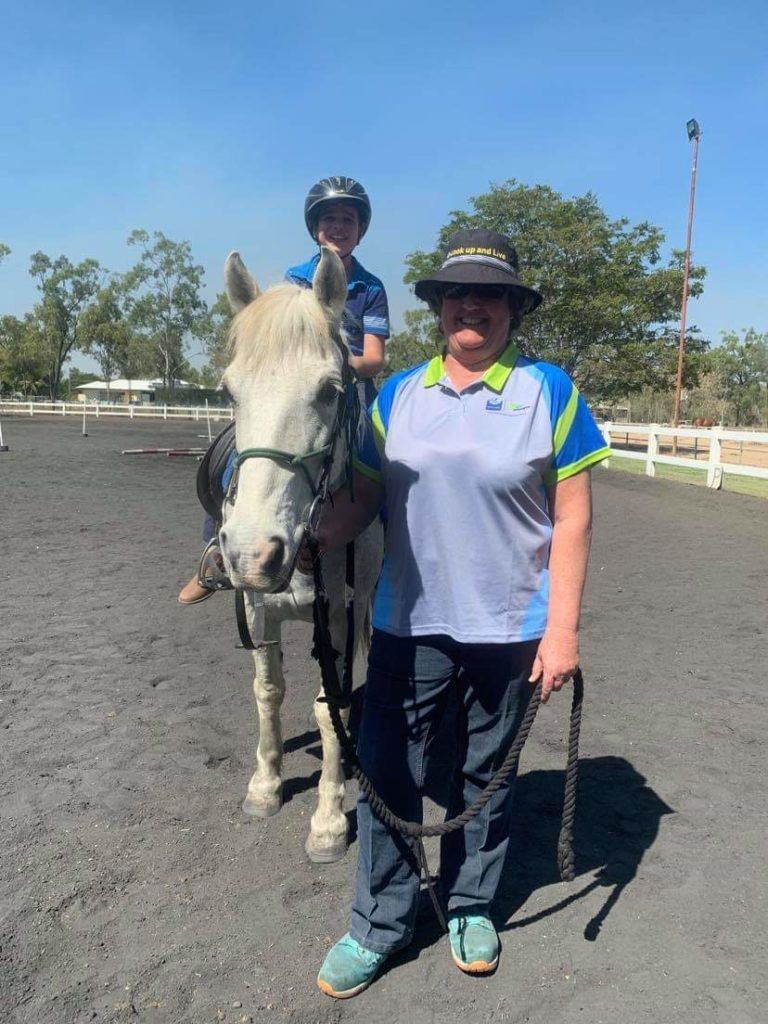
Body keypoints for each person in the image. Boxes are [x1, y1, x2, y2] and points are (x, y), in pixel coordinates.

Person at [298, 229, 611, 998]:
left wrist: (562, 629)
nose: (474, 305)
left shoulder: (550, 391)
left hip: (510, 626)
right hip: (409, 621)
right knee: (388, 775)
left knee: (485, 775)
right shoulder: (400, 394)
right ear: (439, 308)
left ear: (510, 308)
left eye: (491, 293)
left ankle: (471, 904)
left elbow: (572, 518)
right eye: (458, 293)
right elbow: (365, 497)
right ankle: (379, 923)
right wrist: (314, 533)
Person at [178, 176, 390, 605]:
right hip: (290, 386)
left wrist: (336, 365)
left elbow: (374, 357)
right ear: (315, 228)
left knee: (382, 463)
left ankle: (389, 557)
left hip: (346, 386)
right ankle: (216, 552)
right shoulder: (294, 278)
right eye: (329, 219)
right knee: (229, 453)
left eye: (347, 219)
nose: (338, 227)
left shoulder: (371, 288)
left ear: (360, 230)